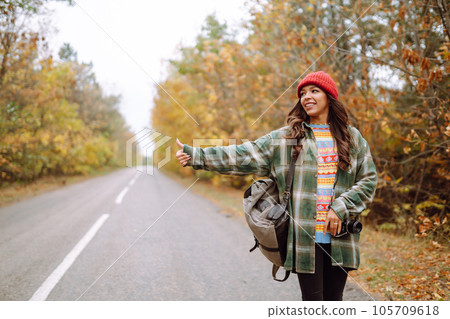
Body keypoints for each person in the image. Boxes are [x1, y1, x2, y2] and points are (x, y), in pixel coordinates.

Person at [175, 71, 377, 301]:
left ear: (329, 97)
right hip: (305, 240)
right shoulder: (286, 139)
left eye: (314, 91)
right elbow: (242, 155)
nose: (306, 96)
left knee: (335, 301)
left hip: (341, 237)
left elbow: (368, 180)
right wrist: (196, 155)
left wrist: (339, 209)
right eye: (302, 93)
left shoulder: (352, 138)